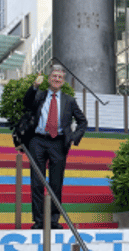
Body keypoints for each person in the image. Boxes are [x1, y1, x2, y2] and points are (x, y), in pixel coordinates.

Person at [22, 63, 87, 229]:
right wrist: (34, 86)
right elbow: (27, 103)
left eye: (60, 77)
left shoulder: (69, 100)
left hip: (58, 143)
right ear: (49, 79)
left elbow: (82, 121)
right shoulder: (40, 95)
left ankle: (53, 220)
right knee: (37, 182)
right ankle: (38, 221)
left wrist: (73, 137)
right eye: (54, 76)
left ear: (63, 82)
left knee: (56, 184)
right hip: (37, 140)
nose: (56, 79)